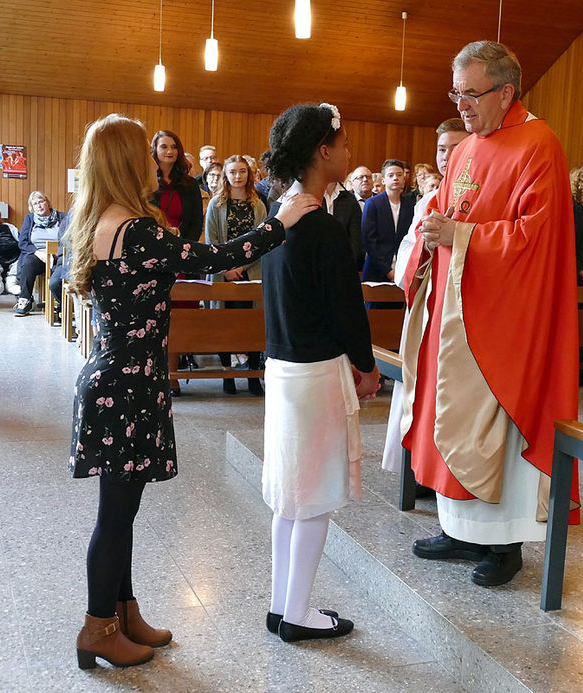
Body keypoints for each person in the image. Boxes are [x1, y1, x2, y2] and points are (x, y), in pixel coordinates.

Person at [66, 113, 316, 669]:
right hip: (127, 386)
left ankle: (121, 611)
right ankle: (96, 627)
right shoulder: (138, 230)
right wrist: (282, 220)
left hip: (115, 376)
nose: (157, 164)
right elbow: (215, 259)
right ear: (128, 162)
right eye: (146, 154)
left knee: (122, 512)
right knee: (115, 515)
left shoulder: (101, 219)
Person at [402, 41, 580, 587]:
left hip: (505, 318)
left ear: (507, 92)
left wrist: (462, 235)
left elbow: (538, 238)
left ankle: (504, 547)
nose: (461, 105)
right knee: (448, 416)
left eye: (471, 93)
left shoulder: (539, 145)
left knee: (492, 426)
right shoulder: (464, 149)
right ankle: (459, 530)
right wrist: (430, 234)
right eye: (456, 92)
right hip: (455, 308)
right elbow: (447, 210)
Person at [260, 102, 380, 643]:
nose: (351, 152)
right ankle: (299, 615)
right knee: (314, 498)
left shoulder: (279, 217)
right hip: (314, 373)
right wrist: (367, 365)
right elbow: (346, 308)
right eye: (345, 143)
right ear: (322, 151)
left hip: (282, 368)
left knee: (290, 494)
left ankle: (281, 604)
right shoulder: (323, 228)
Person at [381, 117, 468, 476]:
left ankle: (444, 468)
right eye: (441, 149)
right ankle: (416, 465)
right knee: (418, 382)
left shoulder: (473, 194)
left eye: (456, 148)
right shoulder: (430, 198)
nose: (446, 156)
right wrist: (422, 246)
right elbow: (408, 245)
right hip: (427, 298)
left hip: (459, 305)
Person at [205, 154, 267, 395]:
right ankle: (227, 373)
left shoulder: (258, 204)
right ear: (225, 176)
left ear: (248, 175)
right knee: (225, 324)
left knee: (250, 324)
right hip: (223, 273)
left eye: (242, 171)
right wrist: (227, 268)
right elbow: (212, 241)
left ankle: (252, 375)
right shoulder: (216, 204)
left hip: (250, 272)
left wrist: (241, 267)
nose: (237, 176)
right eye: (233, 172)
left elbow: (262, 241)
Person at [15, 191, 68, 317]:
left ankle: (61, 303)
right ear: (32, 208)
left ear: (48, 203)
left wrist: (56, 254)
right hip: (38, 255)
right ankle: (24, 300)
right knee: (28, 263)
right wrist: (39, 253)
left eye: (41, 202)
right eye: (35, 204)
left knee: (58, 275)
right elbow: (23, 242)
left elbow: (68, 239)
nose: (39, 206)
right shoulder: (30, 219)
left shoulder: (62, 217)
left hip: (58, 255)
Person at [361, 159, 414, 283]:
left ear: (404, 179)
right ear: (383, 180)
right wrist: (388, 271)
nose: (395, 178)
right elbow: (369, 242)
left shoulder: (410, 205)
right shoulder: (373, 203)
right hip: (376, 270)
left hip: (403, 270)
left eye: (399, 175)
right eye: (391, 175)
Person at [149, 130, 204, 242]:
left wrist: (184, 246)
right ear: (155, 150)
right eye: (164, 147)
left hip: (182, 245)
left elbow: (196, 221)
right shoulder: (146, 182)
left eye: (174, 147)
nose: (170, 151)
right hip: (152, 244)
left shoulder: (190, 184)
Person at [323, 180, 363, 269]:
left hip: (344, 266)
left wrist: (345, 265)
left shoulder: (349, 199)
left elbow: (356, 239)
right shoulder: (311, 196)